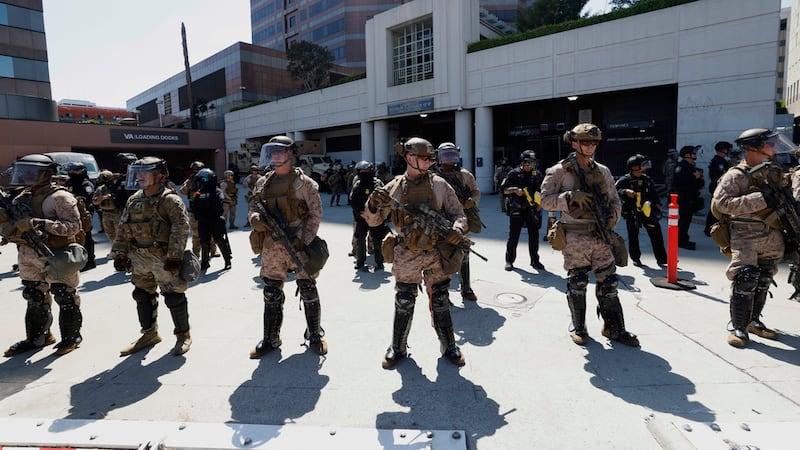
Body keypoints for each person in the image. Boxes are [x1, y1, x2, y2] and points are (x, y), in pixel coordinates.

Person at [364, 137, 468, 369]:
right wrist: (372, 203)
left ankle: (449, 344)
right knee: (404, 299)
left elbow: (459, 214)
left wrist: (457, 229)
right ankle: (398, 347)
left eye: (432, 158)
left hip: (435, 251)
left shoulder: (440, 184)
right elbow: (373, 220)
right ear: (410, 158)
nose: (430, 162)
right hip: (406, 252)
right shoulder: (394, 187)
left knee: (440, 297)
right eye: (425, 158)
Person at [540, 123, 639, 347]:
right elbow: (544, 200)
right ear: (574, 143)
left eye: (594, 142)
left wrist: (612, 220)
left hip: (601, 235)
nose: (590, 146)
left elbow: (615, 200)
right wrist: (569, 197)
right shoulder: (559, 171)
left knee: (610, 282)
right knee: (577, 283)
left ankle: (614, 327)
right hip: (575, 236)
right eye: (585, 142)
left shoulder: (602, 171)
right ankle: (579, 327)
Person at [712, 128, 794, 348]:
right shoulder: (736, 175)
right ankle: (738, 327)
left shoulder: (775, 173)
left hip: (772, 235)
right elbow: (722, 204)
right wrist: (760, 199)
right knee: (746, 278)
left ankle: (753, 321)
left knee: (764, 279)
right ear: (754, 147)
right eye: (770, 144)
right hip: (746, 235)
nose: (775, 148)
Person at [248, 135, 327, 358]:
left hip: (298, 243)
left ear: (291, 154)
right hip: (273, 245)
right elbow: (254, 206)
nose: (275, 156)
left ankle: (315, 335)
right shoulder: (263, 183)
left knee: (307, 288)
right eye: (272, 152)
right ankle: (271, 338)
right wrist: (255, 219)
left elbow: (315, 215)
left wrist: (304, 241)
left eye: (280, 152)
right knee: (271, 291)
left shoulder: (305, 184)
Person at [1, 154, 85, 356]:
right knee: (33, 294)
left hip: (55, 253)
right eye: (23, 171)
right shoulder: (22, 198)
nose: (24, 176)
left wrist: (40, 223)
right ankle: (38, 337)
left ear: (46, 174)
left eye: (30, 171)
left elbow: (74, 227)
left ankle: (71, 337)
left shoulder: (60, 197)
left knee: (64, 295)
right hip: (28, 254)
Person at [111, 157, 193, 356]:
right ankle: (149, 334)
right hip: (139, 258)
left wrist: (174, 257)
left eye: (144, 173)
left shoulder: (170, 200)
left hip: (163, 258)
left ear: (161, 176)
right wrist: (119, 253)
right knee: (142, 295)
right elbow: (123, 228)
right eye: (137, 173)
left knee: (173, 296)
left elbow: (181, 229)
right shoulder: (134, 199)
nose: (139, 177)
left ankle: (183, 335)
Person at [432, 142, 483, 300]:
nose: (448, 160)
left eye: (451, 156)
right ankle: (442, 292)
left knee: (464, 253)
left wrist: (471, 202)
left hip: (461, 219)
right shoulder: (433, 176)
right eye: (445, 156)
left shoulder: (465, 175)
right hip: (440, 220)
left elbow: (476, 192)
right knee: (440, 255)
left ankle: (466, 287)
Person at [615, 154, 667, 267]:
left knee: (656, 234)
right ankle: (636, 258)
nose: (645, 167)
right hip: (632, 212)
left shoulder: (647, 179)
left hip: (648, 211)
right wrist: (625, 192)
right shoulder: (625, 180)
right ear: (634, 167)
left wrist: (658, 205)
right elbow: (616, 190)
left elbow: (654, 194)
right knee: (633, 236)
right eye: (643, 165)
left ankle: (662, 258)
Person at [500, 150, 544, 271]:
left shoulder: (537, 175)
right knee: (513, 236)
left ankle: (535, 260)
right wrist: (514, 190)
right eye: (527, 162)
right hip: (517, 209)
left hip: (533, 209)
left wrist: (540, 205)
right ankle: (509, 260)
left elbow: (543, 191)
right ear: (522, 162)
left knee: (534, 237)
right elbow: (503, 189)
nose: (529, 165)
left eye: (532, 163)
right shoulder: (513, 173)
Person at [349, 160, 389, 271]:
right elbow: (352, 200)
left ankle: (379, 262)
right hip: (362, 217)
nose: (363, 174)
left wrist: (381, 215)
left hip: (376, 218)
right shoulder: (357, 184)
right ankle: (360, 262)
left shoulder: (378, 184)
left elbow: (385, 200)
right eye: (361, 172)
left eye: (366, 171)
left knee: (377, 240)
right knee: (360, 240)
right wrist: (359, 213)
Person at [192, 168, 232, 271]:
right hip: (203, 221)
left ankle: (227, 261)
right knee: (204, 242)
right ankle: (205, 263)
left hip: (215, 219)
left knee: (219, 240)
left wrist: (206, 211)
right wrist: (199, 215)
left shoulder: (217, 191)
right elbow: (195, 206)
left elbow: (218, 205)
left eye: (204, 180)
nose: (202, 183)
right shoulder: (198, 193)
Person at [65, 162, 96, 271]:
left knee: (86, 236)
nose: (71, 173)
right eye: (70, 170)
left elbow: (87, 198)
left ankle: (90, 261)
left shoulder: (86, 184)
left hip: (84, 214)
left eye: (74, 170)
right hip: (71, 214)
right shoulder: (69, 183)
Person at [673, 145, 704, 250]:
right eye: (693, 153)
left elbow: (697, 182)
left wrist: (699, 179)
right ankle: (681, 241)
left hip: (691, 197)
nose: (695, 155)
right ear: (687, 155)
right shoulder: (681, 166)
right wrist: (694, 177)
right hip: (684, 197)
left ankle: (684, 238)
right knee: (684, 220)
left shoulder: (691, 166)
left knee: (687, 219)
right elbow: (679, 181)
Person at [704, 141, 732, 236]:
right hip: (717, 187)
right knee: (715, 209)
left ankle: (711, 228)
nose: (728, 151)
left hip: (717, 186)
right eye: (727, 149)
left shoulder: (719, 160)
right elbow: (722, 176)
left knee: (716, 208)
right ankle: (710, 229)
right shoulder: (719, 161)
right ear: (723, 150)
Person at [92, 170, 122, 241]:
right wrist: (101, 199)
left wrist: (110, 197)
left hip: (117, 213)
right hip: (106, 213)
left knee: (119, 234)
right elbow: (94, 201)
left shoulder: (116, 187)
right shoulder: (101, 189)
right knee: (110, 233)